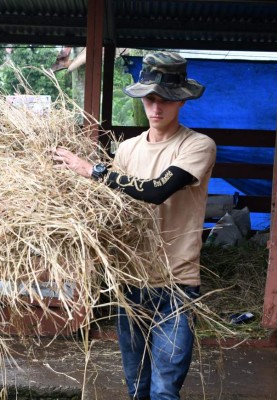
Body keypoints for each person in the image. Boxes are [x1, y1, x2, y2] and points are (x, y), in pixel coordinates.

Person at [53, 51, 216, 400]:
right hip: (132, 282)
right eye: (151, 99)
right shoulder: (127, 150)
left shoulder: (197, 146)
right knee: (137, 387)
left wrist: (94, 171)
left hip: (176, 285)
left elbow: (158, 191)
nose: (157, 108)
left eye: (167, 100)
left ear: (181, 101)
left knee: (164, 390)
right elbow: (116, 208)